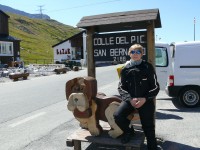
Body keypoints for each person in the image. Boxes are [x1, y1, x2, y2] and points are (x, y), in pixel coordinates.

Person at [114, 44, 160, 150]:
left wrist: (145, 98)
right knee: (118, 116)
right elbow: (121, 87)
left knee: (148, 126)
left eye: (138, 52)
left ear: (142, 54)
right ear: (129, 54)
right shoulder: (125, 69)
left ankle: (152, 147)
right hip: (130, 100)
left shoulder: (148, 67)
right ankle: (129, 132)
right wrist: (129, 99)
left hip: (145, 100)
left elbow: (156, 87)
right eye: (133, 52)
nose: (135, 54)